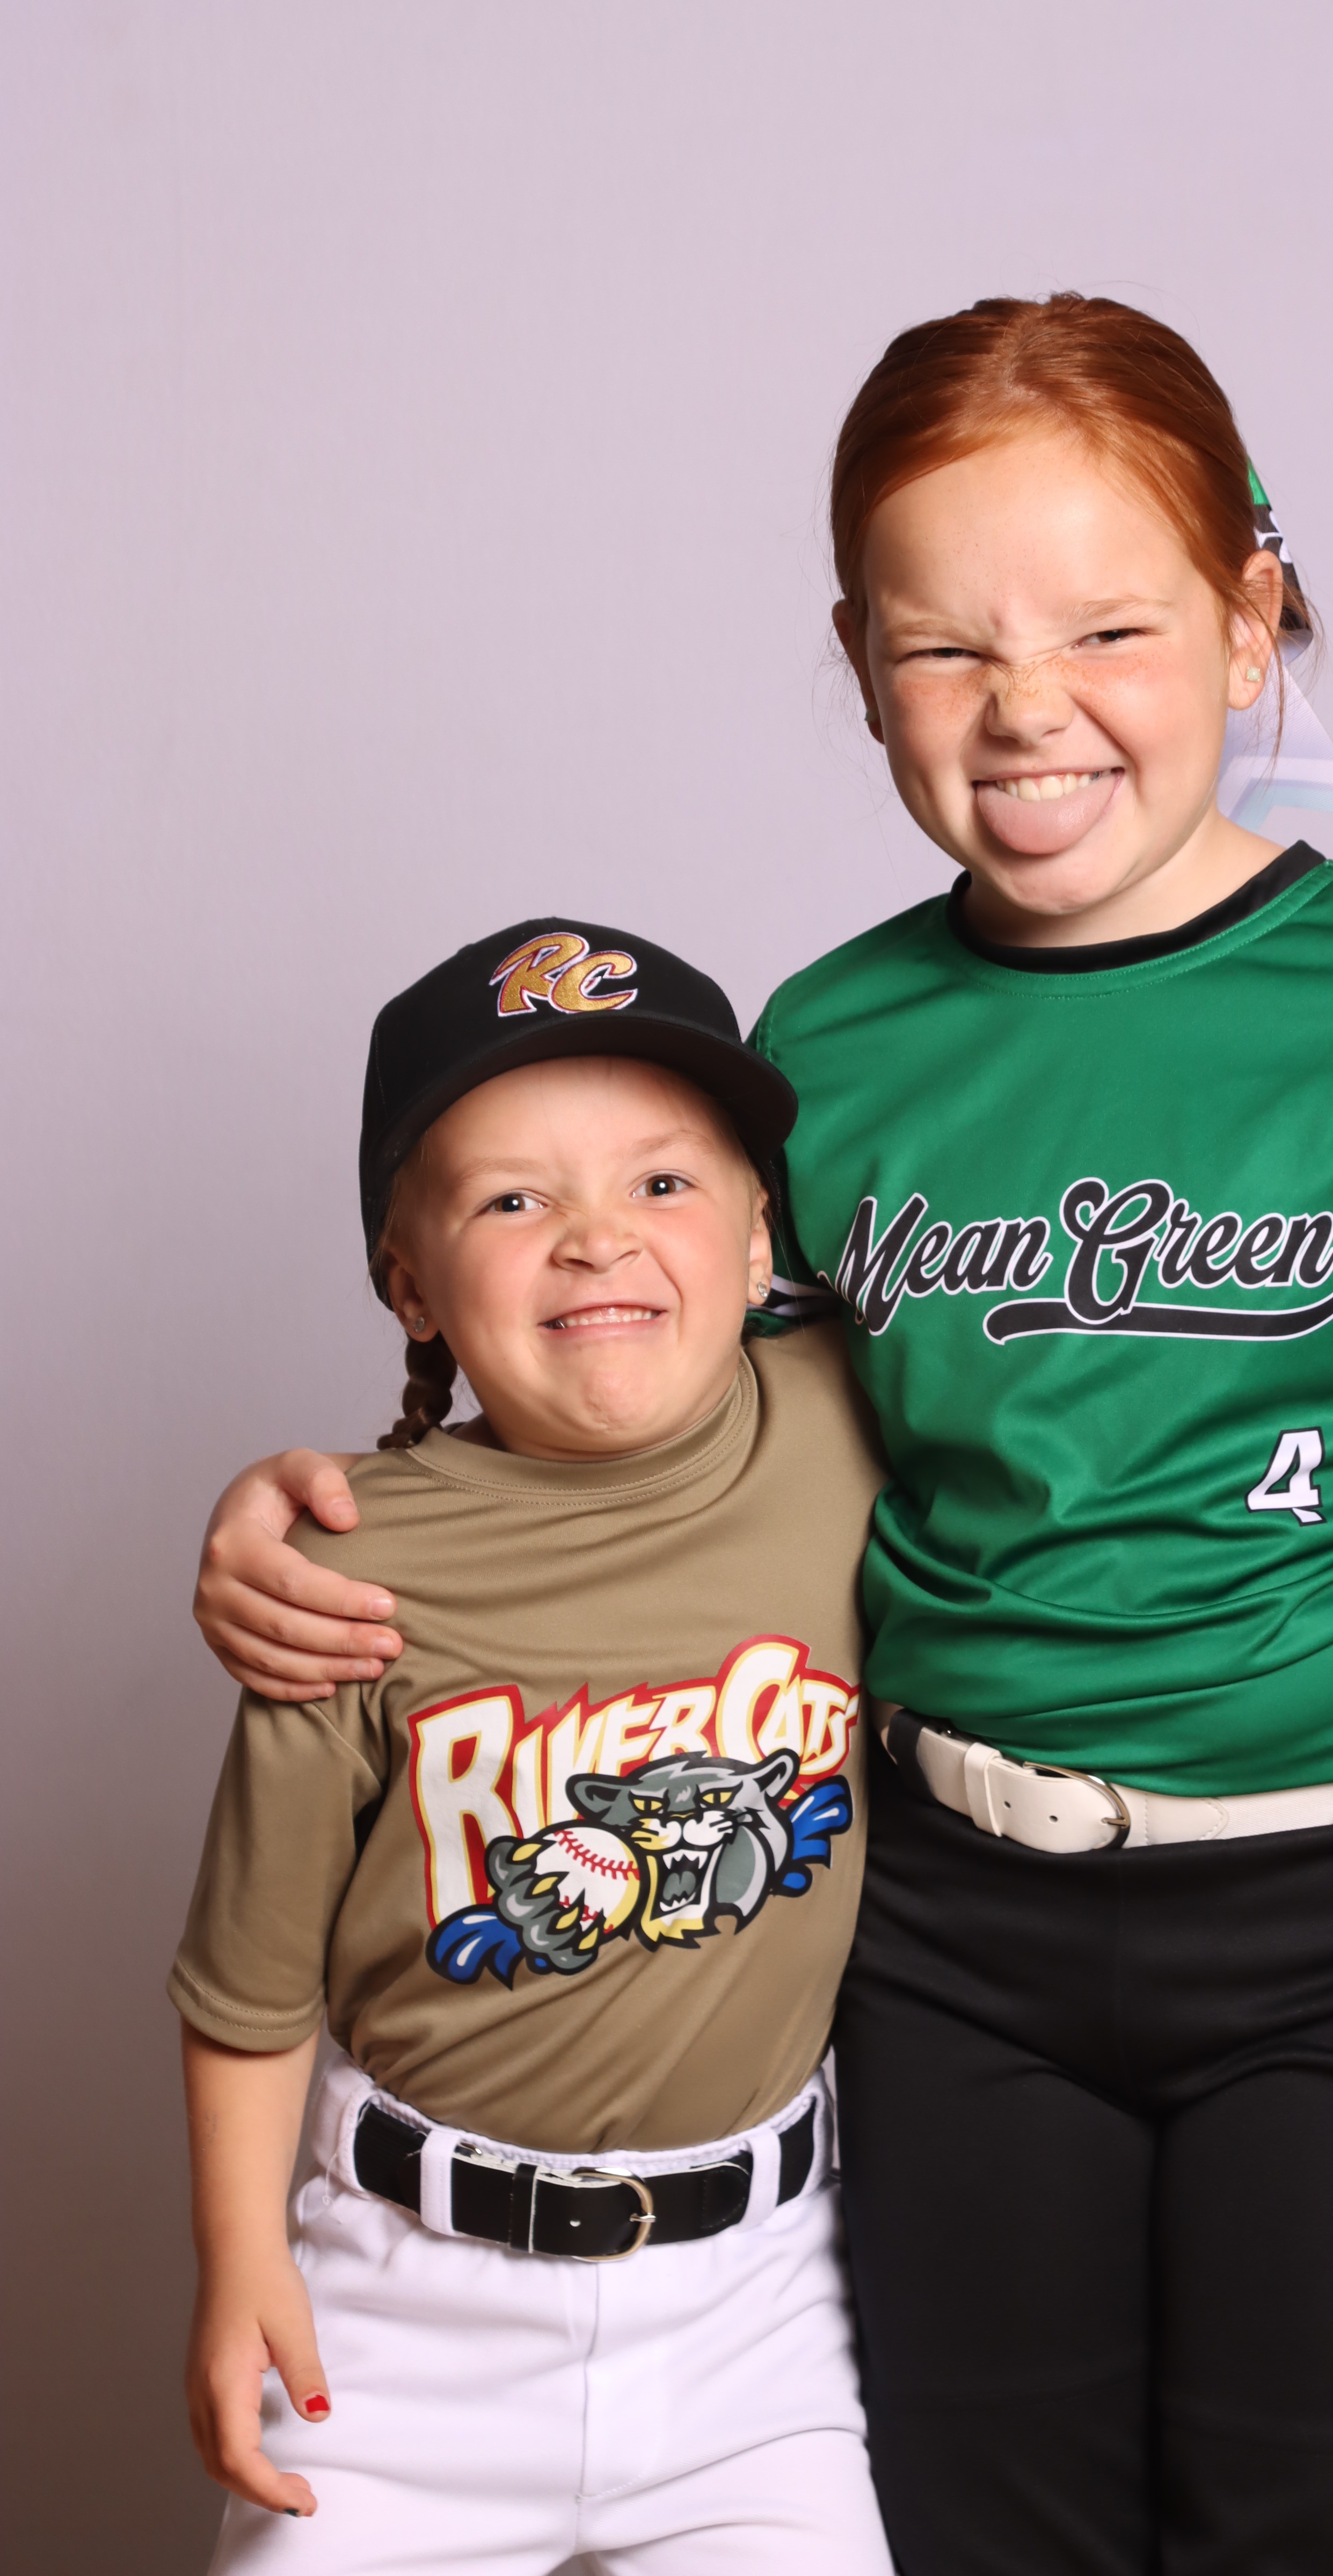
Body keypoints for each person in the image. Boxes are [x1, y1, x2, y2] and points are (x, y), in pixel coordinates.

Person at [190, 295, 1333, 2575]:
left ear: (1249, 615)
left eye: (1109, 629)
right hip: (950, 1937)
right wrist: (306, 1519)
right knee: (983, 2535)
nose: (1027, 707)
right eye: (943, 650)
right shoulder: (834, 1046)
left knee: (1320, 2529)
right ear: (859, 664)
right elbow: (666, 1450)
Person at [171, 918, 894, 2575]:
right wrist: (237, 2265)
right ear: (409, 1282)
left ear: (761, 1235)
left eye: (664, 1183)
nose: (596, 1240)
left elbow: (1112, 1418)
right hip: (403, 2314)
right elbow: (247, 1985)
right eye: (512, 1201)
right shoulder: (342, 1567)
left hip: (760, 2318)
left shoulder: (852, 1421)